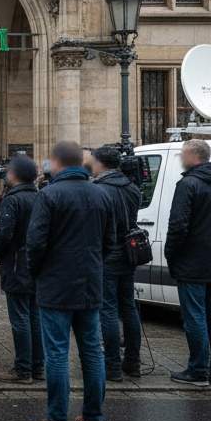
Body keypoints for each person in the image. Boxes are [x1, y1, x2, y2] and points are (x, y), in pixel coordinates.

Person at [23, 141, 116, 421]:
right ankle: (93, 418)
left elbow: (36, 243)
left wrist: (37, 271)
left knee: (58, 352)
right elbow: (110, 241)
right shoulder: (102, 194)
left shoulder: (49, 195)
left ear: (57, 163)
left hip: (56, 284)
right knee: (92, 350)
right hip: (89, 282)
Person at [164, 139, 211, 387]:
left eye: (183, 153)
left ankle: (198, 370)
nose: (180, 158)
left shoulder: (188, 184)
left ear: (194, 156)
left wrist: (170, 253)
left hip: (192, 261)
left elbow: (178, 226)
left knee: (194, 315)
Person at [87, 145, 144, 382]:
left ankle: (111, 365)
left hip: (107, 254)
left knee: (107, 309)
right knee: (128, 307)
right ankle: (133, 361)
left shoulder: (98, 190)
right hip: (128, 254)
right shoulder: (132, 188)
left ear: (100, 163)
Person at [0, 155, 43, 383]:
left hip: (16, 264)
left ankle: (23, 368)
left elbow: (5, 234)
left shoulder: (13, 200)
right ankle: (37, 365)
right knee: (34, 315)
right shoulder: (41, 196)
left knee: (20, 317)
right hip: (35, 263)